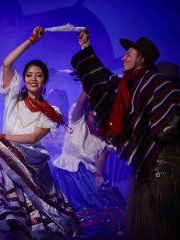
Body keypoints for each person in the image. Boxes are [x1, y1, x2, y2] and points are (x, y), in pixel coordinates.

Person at [70, 29, 180, 239]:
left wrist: (166, 128)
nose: (123, 57)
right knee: (145, 223)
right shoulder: (130, 86)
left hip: (165, 165)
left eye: (128, 54)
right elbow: (104, 82)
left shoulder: (155, 83)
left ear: (141, 59)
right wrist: (86, 48)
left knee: (166, 221)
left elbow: (174, 113)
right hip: (145, 166)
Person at [0, 26, 79, 240]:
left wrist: (2, 137)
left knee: (40, 229)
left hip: (34, 163)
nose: (33, 79)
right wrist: (31, 41)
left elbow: (33, 138)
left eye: (39, 75)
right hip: (8, 158)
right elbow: (6, 63)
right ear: (23, 78)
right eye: (29, 75)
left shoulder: (53, 111)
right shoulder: (13, 97)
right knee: (13, 224)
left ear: (45, 81)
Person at [51, 90, 126, 238]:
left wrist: (98, 175)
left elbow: (101, 159)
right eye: (94, 113)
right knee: (80, 206)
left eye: (102, 115)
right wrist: (88, 86)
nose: (97, 118)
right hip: (68, 171)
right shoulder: (78, 122)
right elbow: (80, 103)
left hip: (88, 174)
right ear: (89, 111)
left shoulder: (104, 137)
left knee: (103, 203)